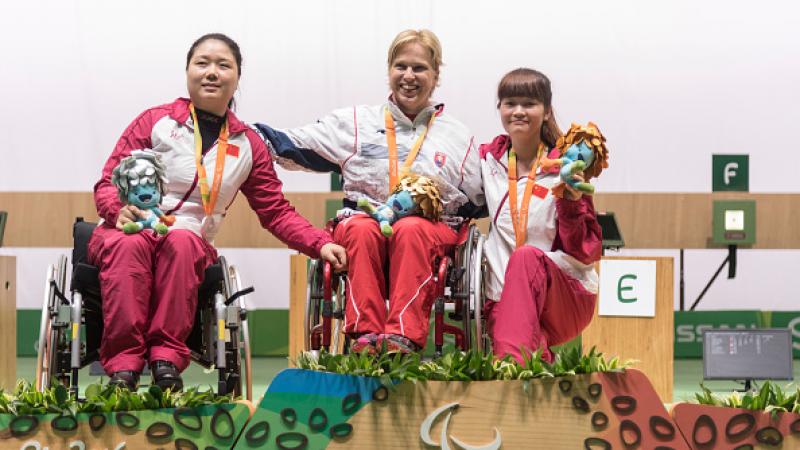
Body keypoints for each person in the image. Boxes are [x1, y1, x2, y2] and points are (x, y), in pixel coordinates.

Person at [89, 33, 347, 391]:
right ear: (188, 72)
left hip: (187, 236)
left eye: (223, 65)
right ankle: (123, 364)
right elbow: (106, 181)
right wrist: (118, 210)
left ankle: (165, 358)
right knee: (129, 247)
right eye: (202, 63)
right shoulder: (155, 122)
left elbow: (275, 212)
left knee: (182, 242)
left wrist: (319, 243)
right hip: (128, 228)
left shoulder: (248, 145)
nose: (212, 72)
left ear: (237, 77)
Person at [255, 29, 484, 353]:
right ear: (389, 70)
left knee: (411, 228)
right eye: (400, 66)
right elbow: (293, 143)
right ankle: (365, 335)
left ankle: (402, 336)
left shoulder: (457, 136)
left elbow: (479, 197)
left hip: (427, 233)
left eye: (419, 68)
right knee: (361, 228)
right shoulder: (355, 123)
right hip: (365, 224)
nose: (409, 76)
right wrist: (245, 135)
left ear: (435, 76)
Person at [479, 68, 602, 364]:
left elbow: (586, 252)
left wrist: (572, 204)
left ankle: (510, 375)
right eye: (510, 103)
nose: (518, 111)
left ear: (546, 111)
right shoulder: (487, 161)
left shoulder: (566, 168)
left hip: (564, 293)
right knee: (525, 346)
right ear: (500, 109)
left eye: (529, 104)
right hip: (506, 296)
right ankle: (536, 367)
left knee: (525, 257)